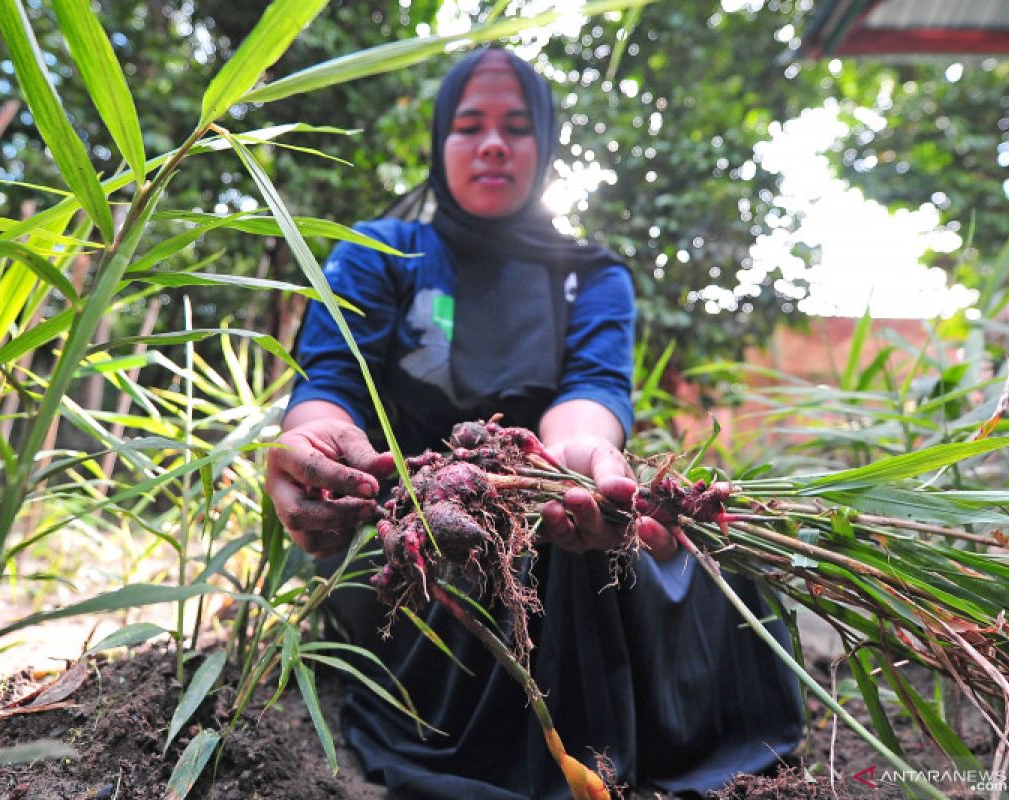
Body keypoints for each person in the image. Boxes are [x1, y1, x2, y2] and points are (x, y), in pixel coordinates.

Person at [265, 46, 803, 799]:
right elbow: (331, 380)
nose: (493, 142)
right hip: (409, 528)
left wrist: (578, 452)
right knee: (469, 557)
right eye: (469, 124)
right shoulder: (379, 253)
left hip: (549, 497)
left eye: (517, 126)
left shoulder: (591, 274)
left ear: (545, 146)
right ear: (440, 141)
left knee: (705, 549)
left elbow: (591, 392)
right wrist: (315, 441)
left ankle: (607, 756)